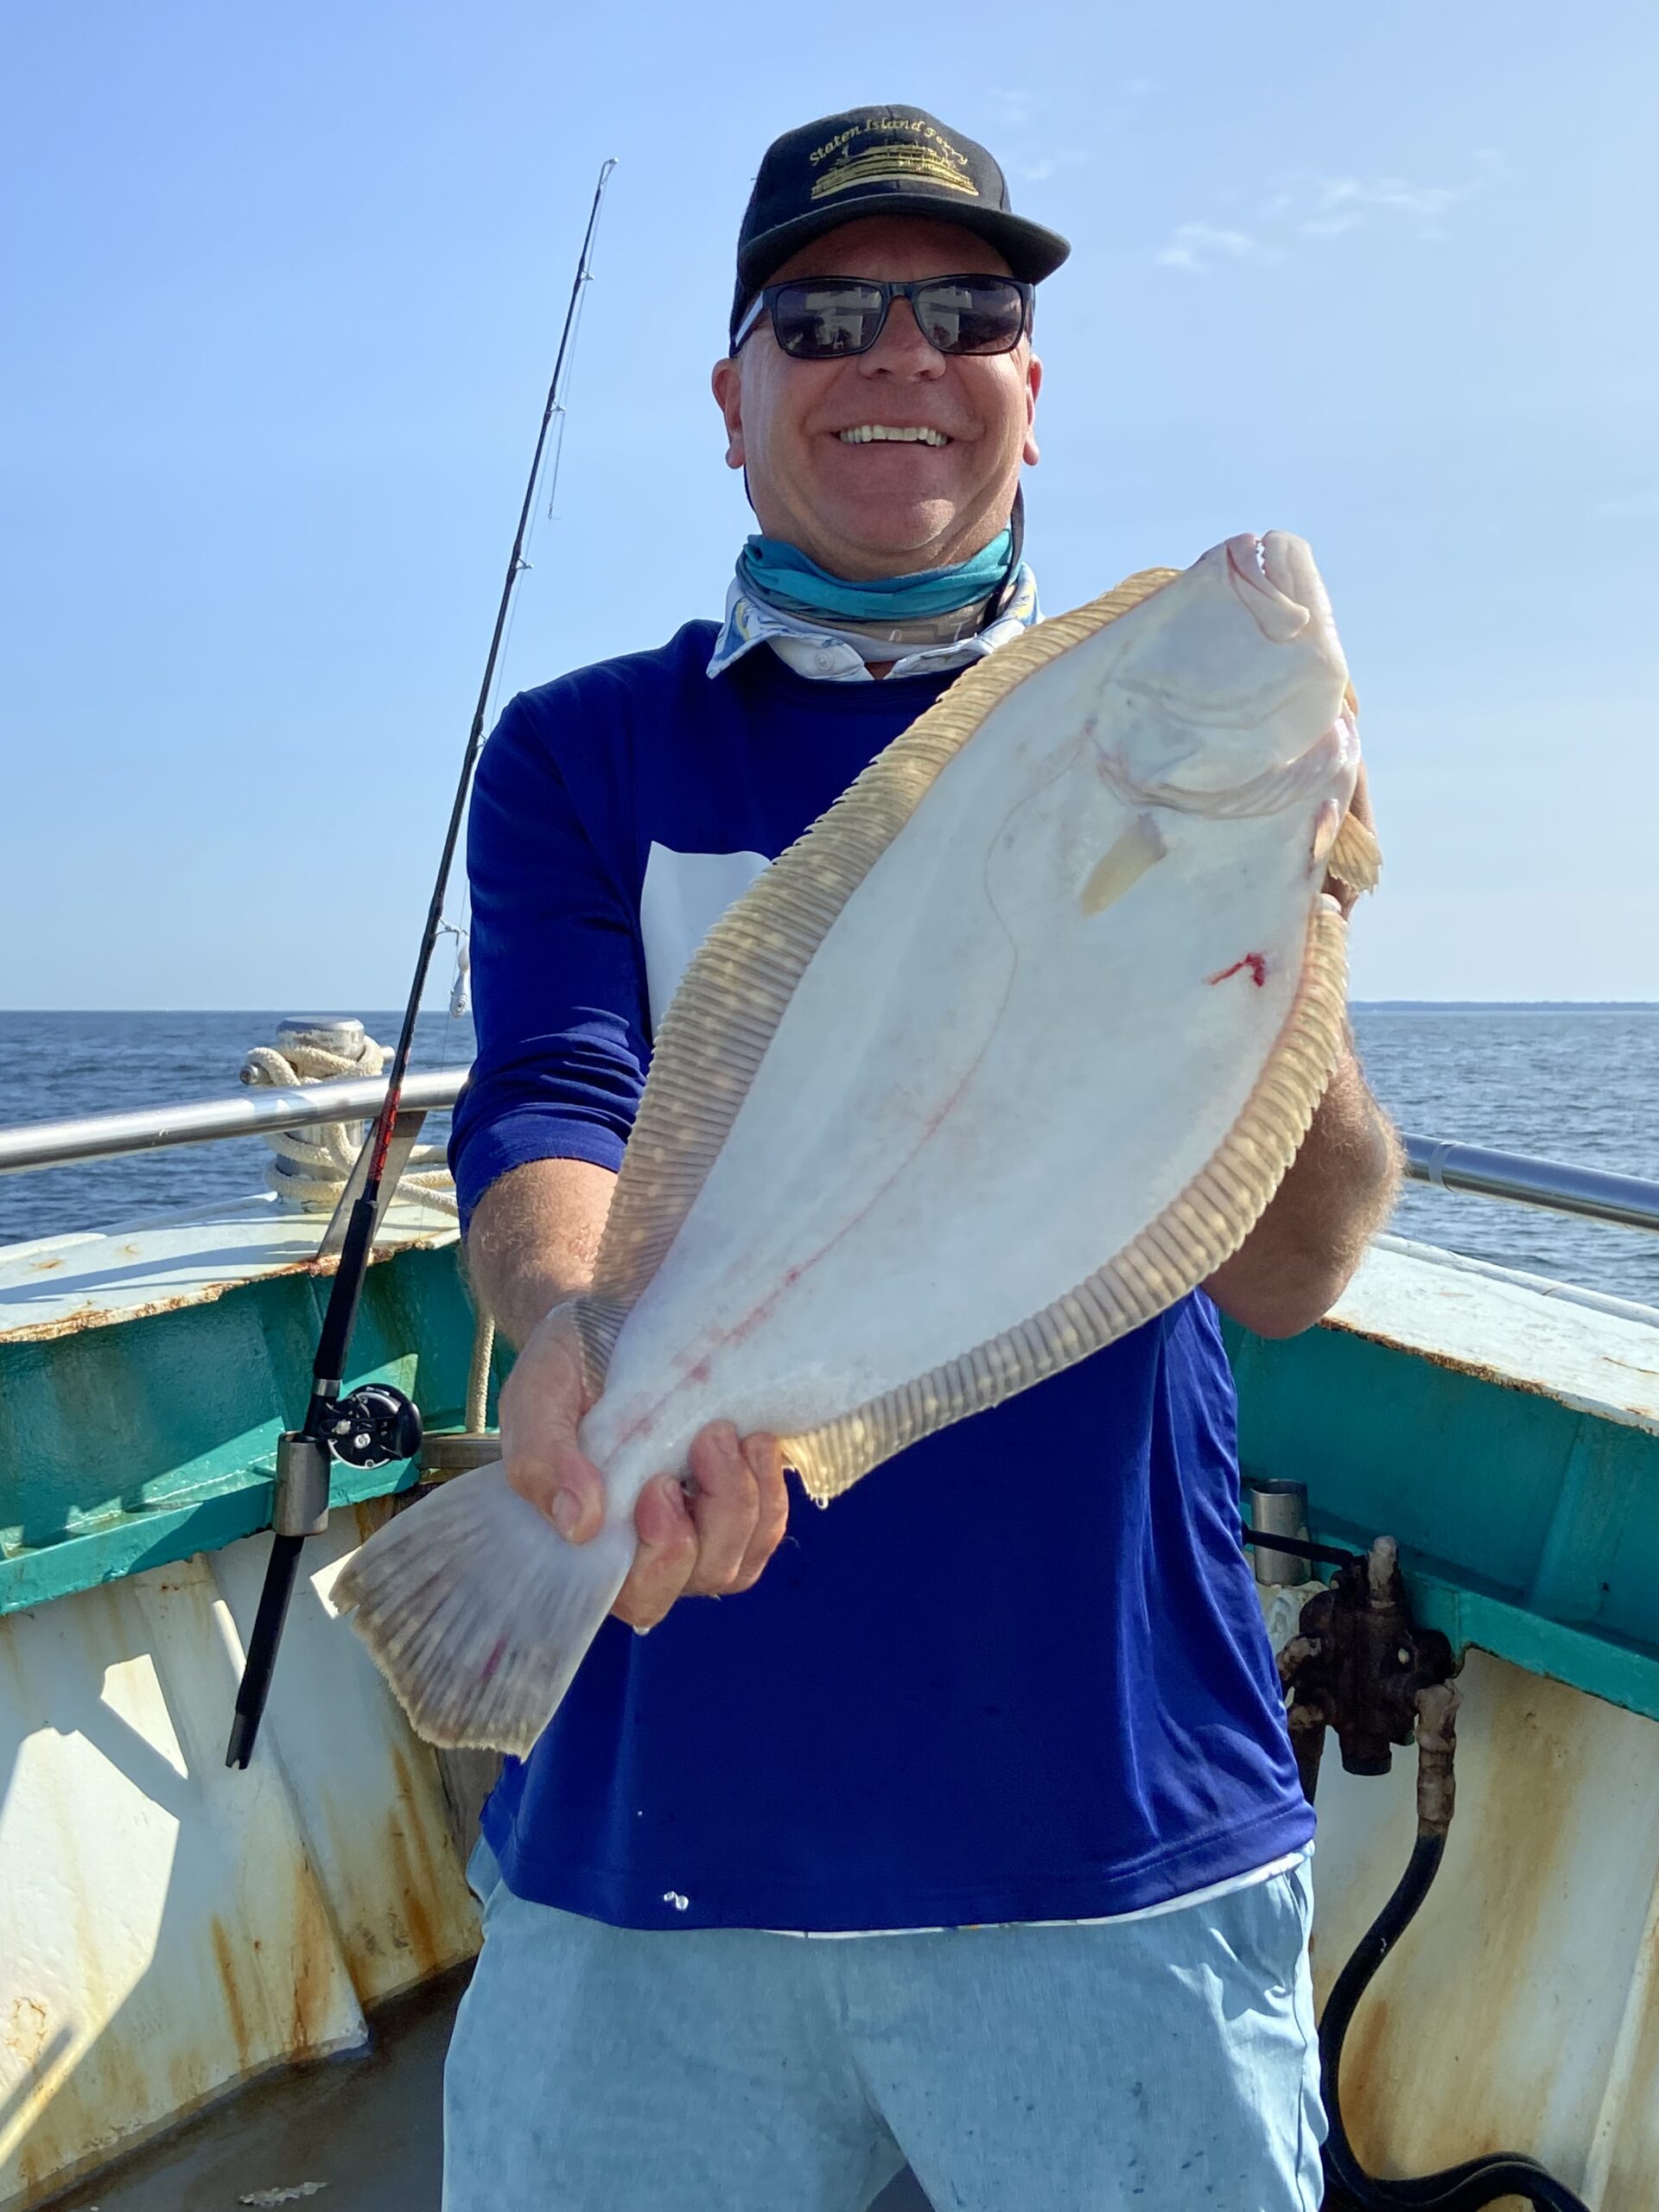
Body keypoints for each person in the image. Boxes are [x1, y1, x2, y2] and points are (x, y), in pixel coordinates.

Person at [441, 103, 1399, 2212]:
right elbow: (550, 1102)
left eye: (968, 311)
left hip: (1109, 1817)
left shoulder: (1128, 728)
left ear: (1030, 394)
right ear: (734, 395)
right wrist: (589, 1341)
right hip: (650, 1833)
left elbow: (1291, 1269)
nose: (899, 354)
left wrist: (1283, 967)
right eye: (824, 314)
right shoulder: (590, 749)